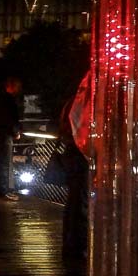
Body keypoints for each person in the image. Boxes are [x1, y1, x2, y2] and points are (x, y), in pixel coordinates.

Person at [59, 74, 89, 259]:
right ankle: (78, 247)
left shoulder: (70, 104)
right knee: (80, 202)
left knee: (74, 202)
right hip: (80, 155)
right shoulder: (80, 106)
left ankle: (71, 244)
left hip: (72, 154)